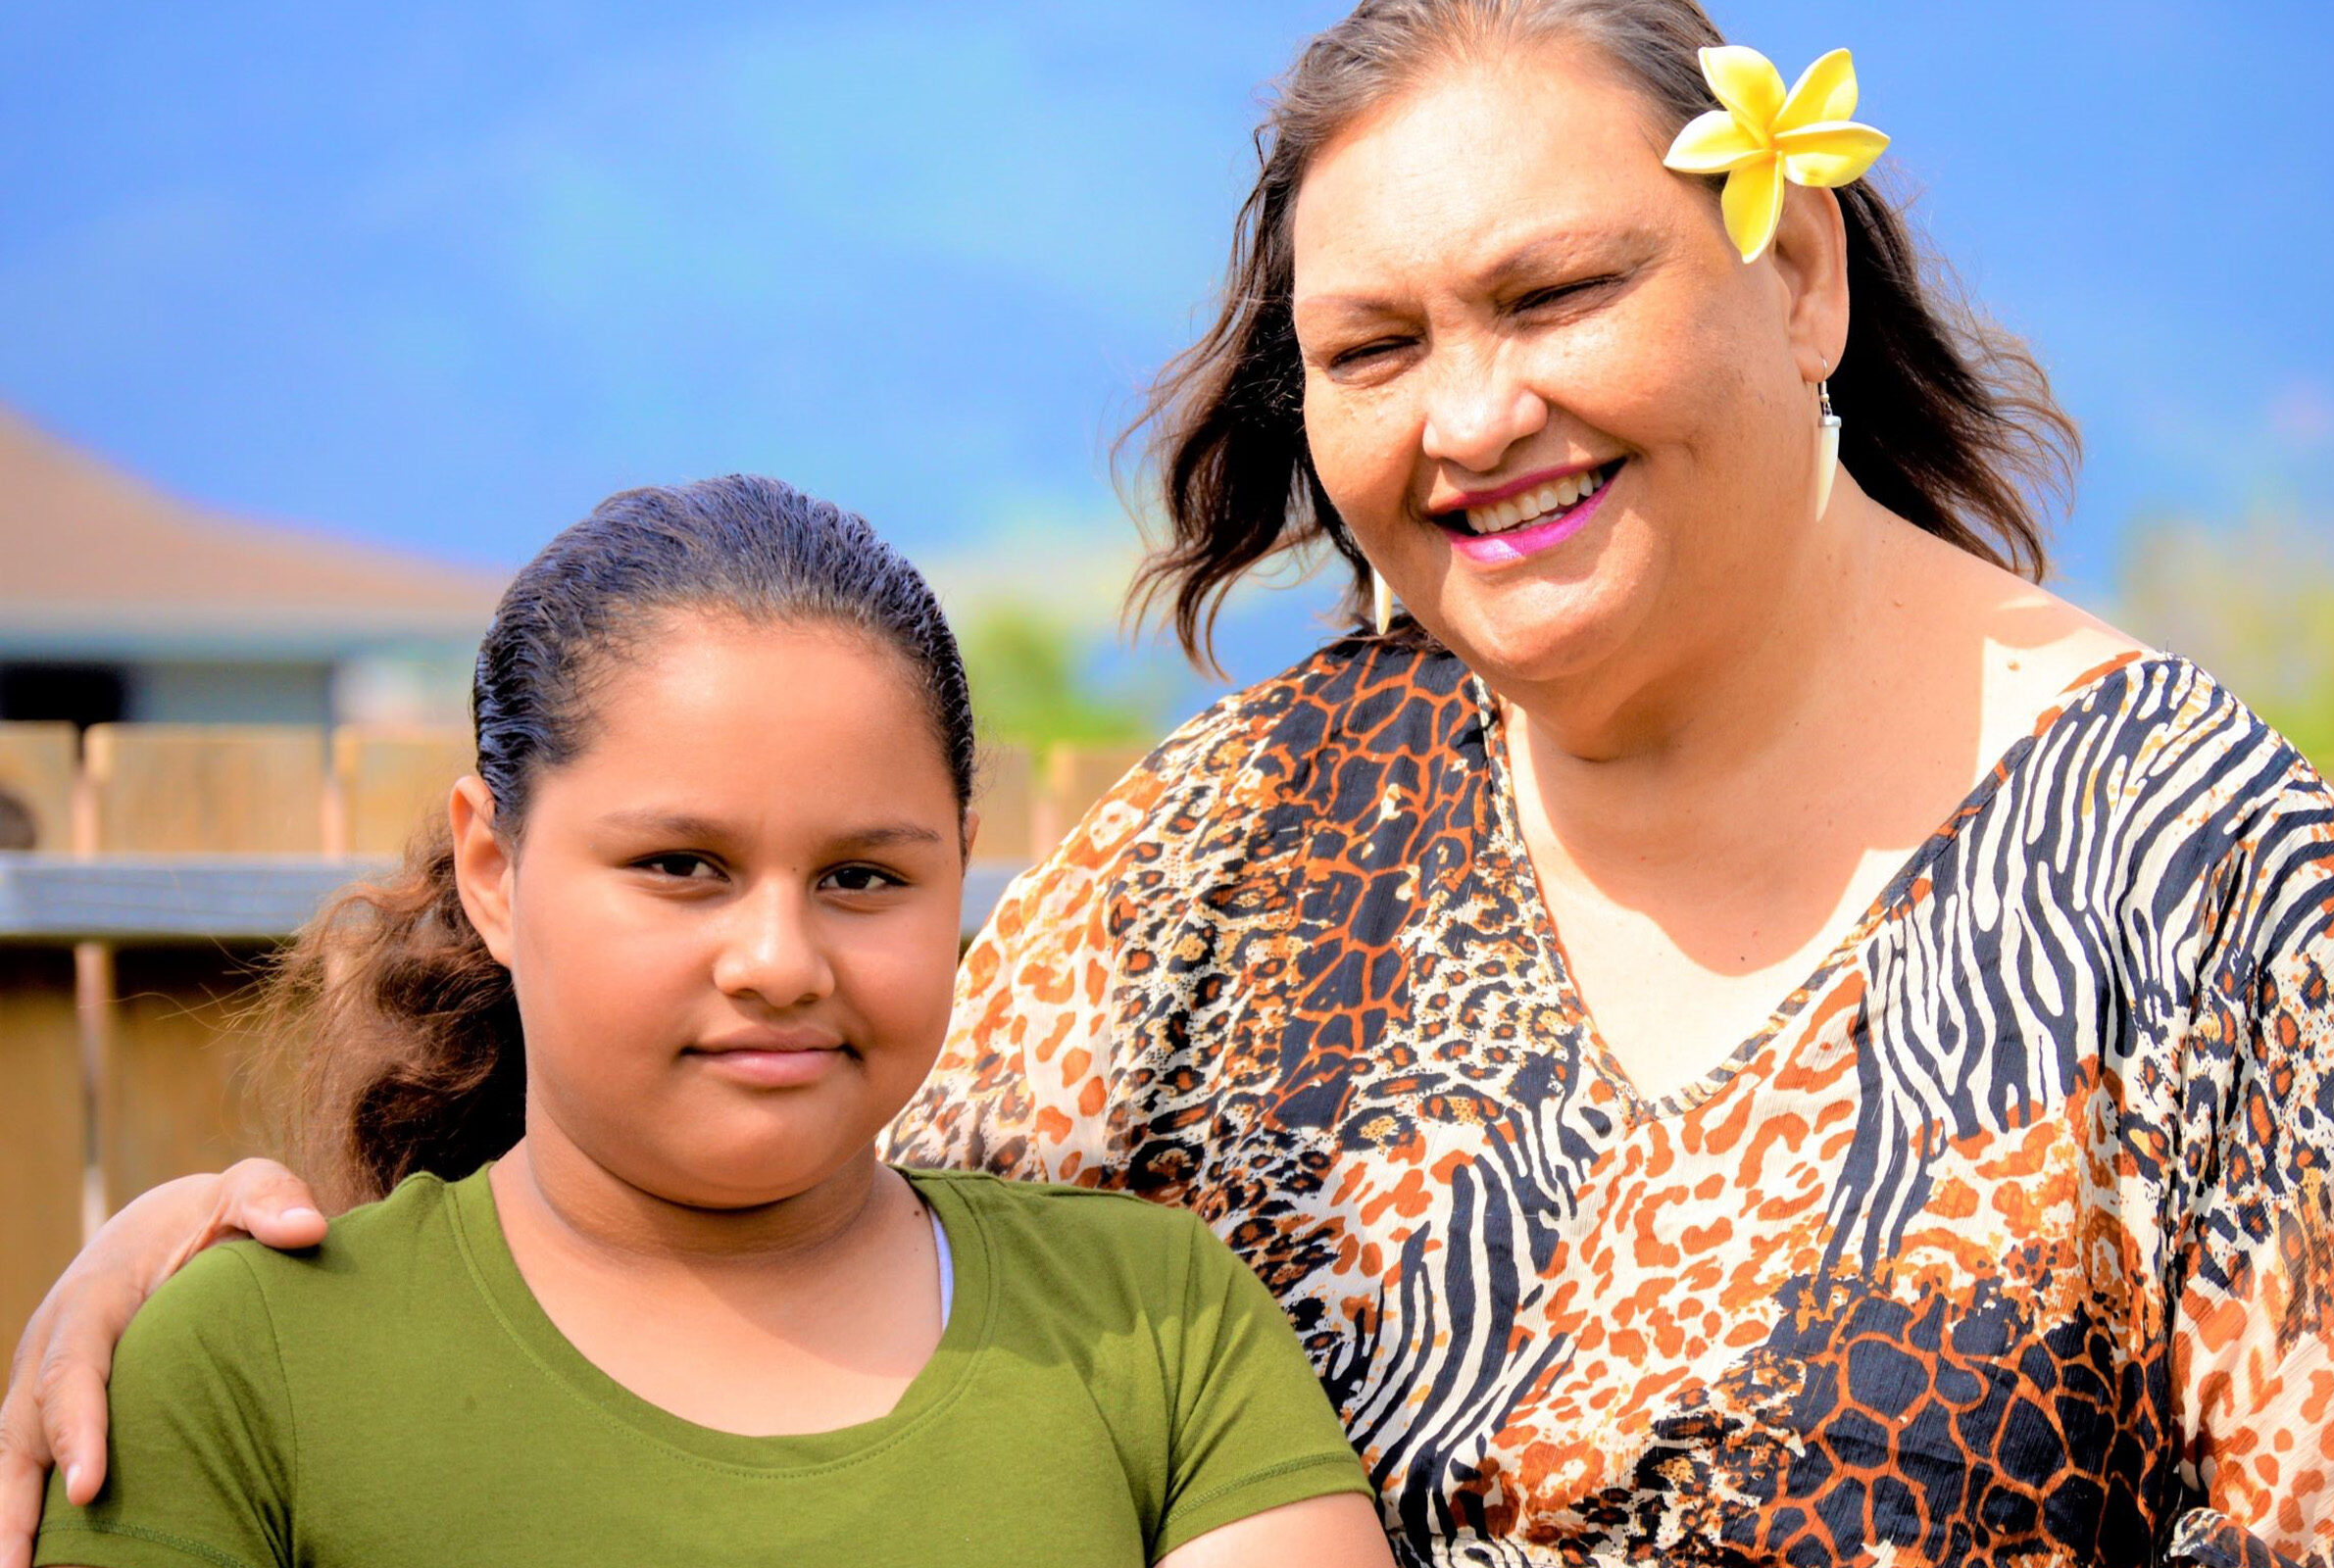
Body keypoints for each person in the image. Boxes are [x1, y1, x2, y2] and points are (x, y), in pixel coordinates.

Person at [7, 2, 2334, 1564]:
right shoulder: (1257, 832)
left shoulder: (2220, 898)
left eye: (1553, 298)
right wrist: (232, 1270)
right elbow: (762, 1206)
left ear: (1800, 274)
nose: (1465, 415)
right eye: (1373, 345)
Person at [23, 477, 1391, 1568]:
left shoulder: (1153, 1326)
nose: (780, 961)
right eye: (683, 867)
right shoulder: (240, 1369)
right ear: (495, 873)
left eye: (865, 877)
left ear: (960, 869)